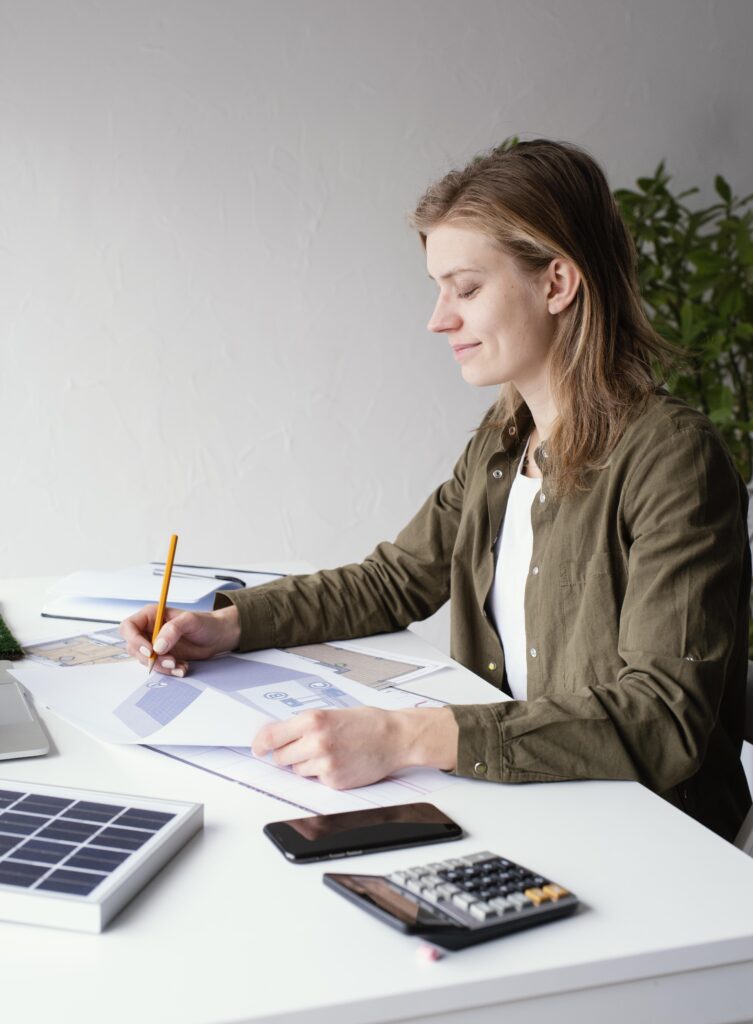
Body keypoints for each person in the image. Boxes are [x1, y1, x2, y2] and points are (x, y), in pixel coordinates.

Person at [121, 139, 752, 843]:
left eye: (467, 287)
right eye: (438, 287)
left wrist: (405, 736)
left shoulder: (672, 459)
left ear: (556, 283)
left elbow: (662, 717)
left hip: (656, 841)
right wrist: (228, 623)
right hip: (532, 807)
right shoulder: (503, 440)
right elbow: (394, 582)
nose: (438, 318)